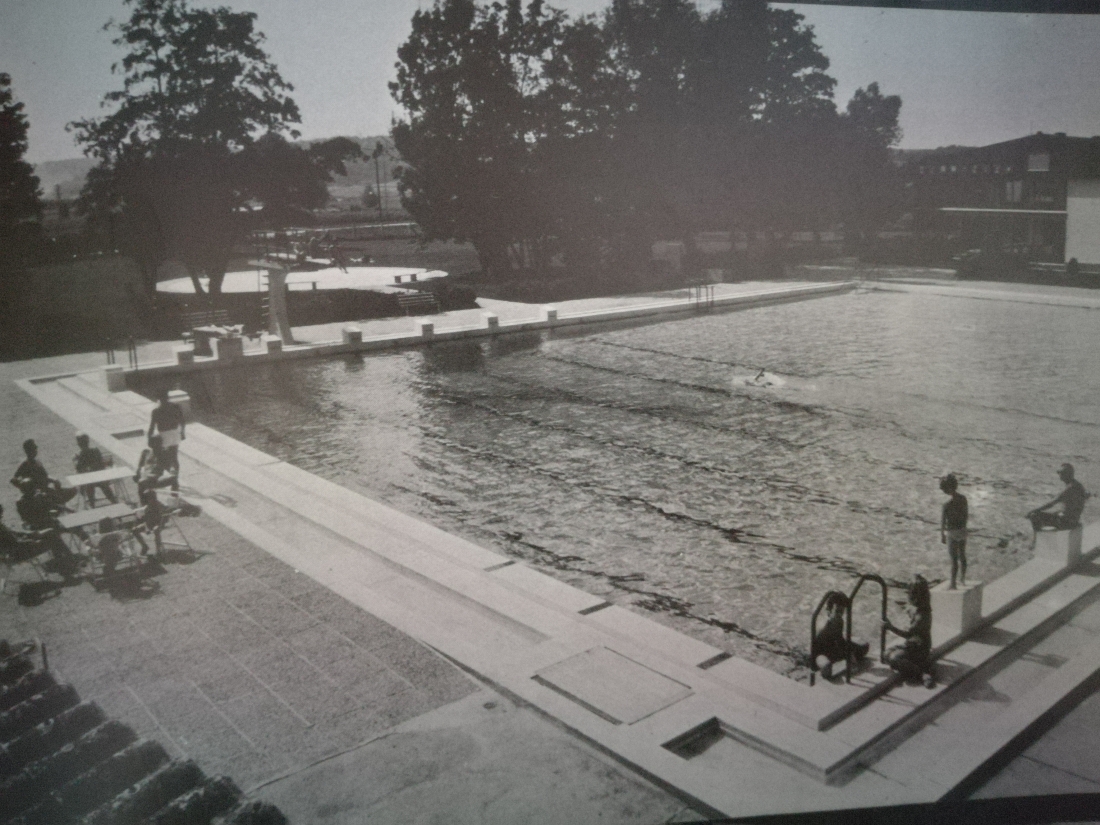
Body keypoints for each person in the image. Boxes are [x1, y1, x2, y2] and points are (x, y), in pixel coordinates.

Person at [0, 503, 80, 579]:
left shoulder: (1, 526)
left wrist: (30, 534)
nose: (2, 516)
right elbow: (15, 544)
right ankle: (64, 565)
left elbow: (15, 534)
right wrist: (32, 540)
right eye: (1, 515)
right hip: (17, 554)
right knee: (53, 540)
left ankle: (66, 562)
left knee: (50, 532)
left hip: (19, 549)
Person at [883, 575, 935, 688]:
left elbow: (908, 634)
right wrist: (905, 608)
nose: (908, 595)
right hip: (914, 646)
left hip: (921, 650)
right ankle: (920, 666)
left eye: (910, 593)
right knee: (886, 655)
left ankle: (922, 674)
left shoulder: (922, 616)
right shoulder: (920, 609)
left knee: (894, 659)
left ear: (916, 595)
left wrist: (890, 627)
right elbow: (911, 611)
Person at [813, 591, 870, 679]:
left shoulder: (839, 621)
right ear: (829, 611)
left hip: (833, 650)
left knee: (864, 646)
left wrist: (850, 656)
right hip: (820, 654)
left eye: (842, 612)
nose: (839, 615)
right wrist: (850, 657)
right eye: (837, 611)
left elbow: (840, 641)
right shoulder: (824, 624)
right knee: (826, 668)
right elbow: (815, 650)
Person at [10, 439, 77, 509]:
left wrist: (54, 480)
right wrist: (25, 486)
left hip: (47, 489)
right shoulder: (25, 464)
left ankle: (63, 507)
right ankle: (63, 508)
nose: (36, 449)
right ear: (28, 450)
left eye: (35, 447)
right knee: (58, 500)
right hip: (38, 493)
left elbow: (45, 476)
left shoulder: (37, 462)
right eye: (34, 448)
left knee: (73, 490)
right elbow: (13, 479)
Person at [1028, 463, 1088, 537]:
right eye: (1059, 473)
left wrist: (1032, 511)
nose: (1059, 475)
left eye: (1061, 473)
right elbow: (1074, 506)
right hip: (1074, 521)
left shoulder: (1070, 488)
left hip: (1066, 523)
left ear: (1068, 474)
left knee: (1034, 515)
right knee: (1054, 514)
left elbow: (1051, 504)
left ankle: (1037, 540)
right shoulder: (1078, 485)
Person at [147, 390, 185, 482]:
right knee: (174, 457)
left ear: (158, 399)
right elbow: (182, 421)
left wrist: (149, 438)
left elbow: (152, 427)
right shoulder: (176, 407)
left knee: (161, 458)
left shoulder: (156, 411)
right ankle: (175, 479)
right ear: (168, 397)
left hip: (164, 435)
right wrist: (183, 433)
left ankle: (162, 473)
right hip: (175, 434)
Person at [73, 432, 118, 507]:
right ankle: (112, 501)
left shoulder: (85, 453)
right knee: (93, 484)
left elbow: (79, 469)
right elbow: (101, 465)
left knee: (93, 485)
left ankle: (93, 505)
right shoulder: (93, 451)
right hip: (95, 479)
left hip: (97, 478)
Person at [940, 474, 968, 590]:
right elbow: (966, 516)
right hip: (962, 530)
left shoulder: (946, 505)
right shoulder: (963, 499)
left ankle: (953, 584)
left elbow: (943, 521)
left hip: (952, 532)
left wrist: (942, 535)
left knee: (954, 559)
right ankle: (962, 578)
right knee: (962, 555)